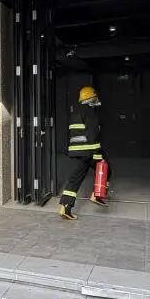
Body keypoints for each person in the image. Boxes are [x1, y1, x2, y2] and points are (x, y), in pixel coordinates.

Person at [59, 86, 111, 221]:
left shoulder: (75, 112)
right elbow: (93, 134)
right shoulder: (89, 112)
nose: (96, 100)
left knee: (75, 178)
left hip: (77, 152)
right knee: (106, 168)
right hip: (89, 151)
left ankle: (65, 207)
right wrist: (98, 155)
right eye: (94, 98)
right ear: (89, 99)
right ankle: (97, 195)